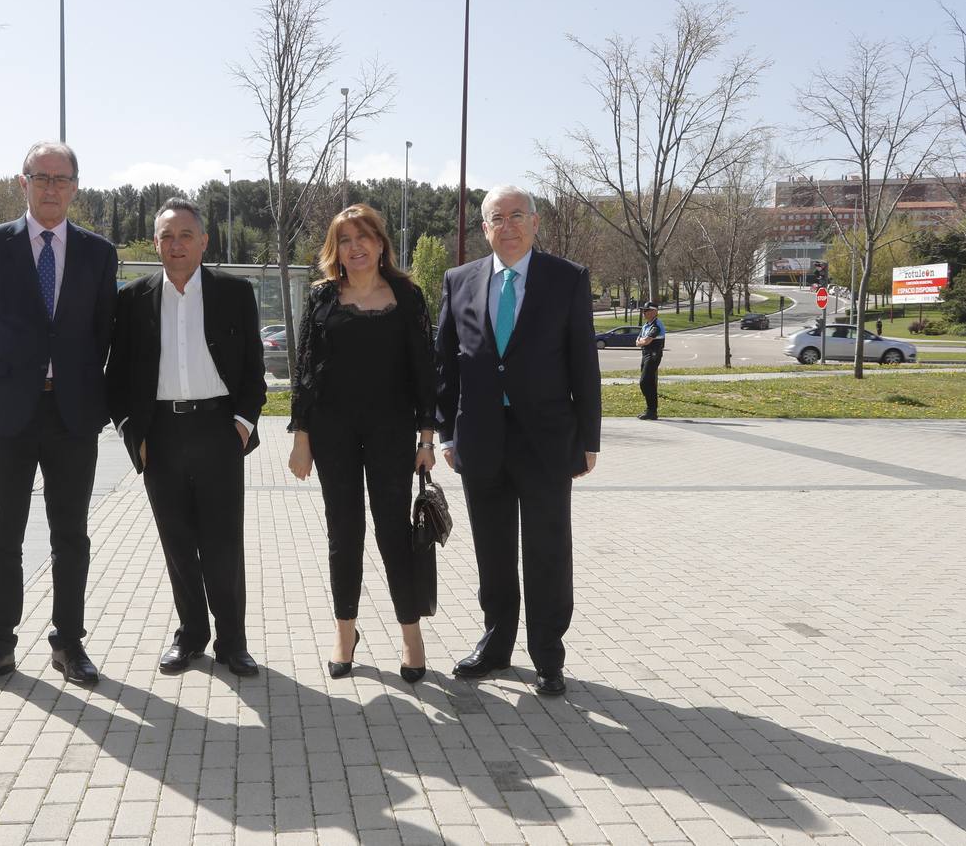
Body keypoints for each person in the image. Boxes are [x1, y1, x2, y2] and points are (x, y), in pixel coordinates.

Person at [0, 141, 118, 695]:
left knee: (71, 535)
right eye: (40, 176)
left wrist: (71, 380)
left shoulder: (98, 254)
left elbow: (102, 331)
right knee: (4, 535)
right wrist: (9, 372)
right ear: (21, 182)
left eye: (61, 178)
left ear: (76, 186)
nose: (51, 186)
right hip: (8, 413)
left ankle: (69, 643)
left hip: (72, 414)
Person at [435, 184, 601, 697]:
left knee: (548, 549)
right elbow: (446, 363)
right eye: (494, 218)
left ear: (534, 222)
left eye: (515, 216)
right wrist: (445, 430)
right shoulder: (459, 280)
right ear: (483, 228)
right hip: (482, 439)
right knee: (493, 550)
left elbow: (583, 364)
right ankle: (497, 643)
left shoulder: (567, 279)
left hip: (547, 440)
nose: (505, 226)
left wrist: (588, 438)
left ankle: (548, 653)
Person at [108, 197, 266, 677]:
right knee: (177, 543)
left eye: (185, 235)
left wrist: (241, 425)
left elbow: (254, 371)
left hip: (219, 430)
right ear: (156, 243)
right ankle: (191, 635)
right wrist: (133, 435)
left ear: (203, 241)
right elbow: (115, 378)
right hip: (160, 434)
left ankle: (232, 642)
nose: (176, 245)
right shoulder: (132, 299)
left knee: (223, 544)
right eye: (166, 236)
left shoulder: (234, 292)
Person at [287, 204, 437, 683]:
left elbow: (425, 370)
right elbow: (306, 369)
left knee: (394, 533)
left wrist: (428, 435)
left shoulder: (408, 296)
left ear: (380, 242)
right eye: (345, 239)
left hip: (391, 431)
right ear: (336, 248)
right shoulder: (322, 298)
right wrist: (301, 437)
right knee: (343, 533)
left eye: (363, 237)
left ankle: (411, 637)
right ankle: (344, 632)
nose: (355, 248)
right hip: (333, 432)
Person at [634, 302, 666, 421]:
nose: (644, 312)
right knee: (649, 383)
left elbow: (645, 341)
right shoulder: (646, 325)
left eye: (646, 310)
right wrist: (642, 341)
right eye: (643, 310)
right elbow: (637, 341)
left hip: (653, 355)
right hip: (645, 354)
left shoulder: (656, 325)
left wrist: (642, 341)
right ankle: (651, 411)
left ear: (654, 312)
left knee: (644, 382)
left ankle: (651, 410)